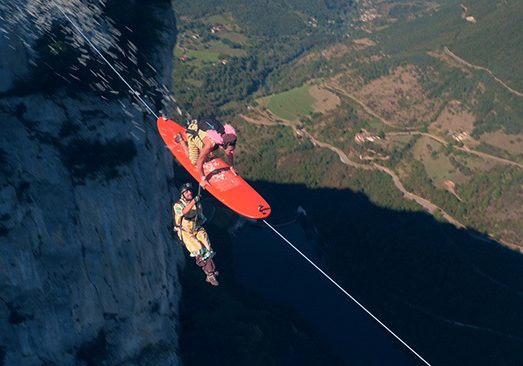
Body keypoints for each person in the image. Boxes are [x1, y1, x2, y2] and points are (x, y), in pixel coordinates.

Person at [173, 182, 219, 286]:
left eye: (190, 191)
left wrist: (201, 215)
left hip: (195, 228)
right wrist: (194, 201)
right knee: (199, 249)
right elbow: (184, 212)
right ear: (182, 194)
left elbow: (200, 217)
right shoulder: (178, 205)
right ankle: (209, 273)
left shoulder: (197, 205)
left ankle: (210, 272)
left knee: (208, 247)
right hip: (184, 231)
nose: (189, 193)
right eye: (186, 191)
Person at [177, 118, 237, 189]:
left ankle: (202, 148)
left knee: (207, 154)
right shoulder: (210, 145)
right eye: (230, 150)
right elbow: (199, 161)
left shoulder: (228, 136)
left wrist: (231, 167)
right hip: (193, 132)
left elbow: (229, 152)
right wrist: (203, 178)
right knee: (194, 161)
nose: (231, 152)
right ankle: (181, 140)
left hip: (202, 131)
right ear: (223, 146)